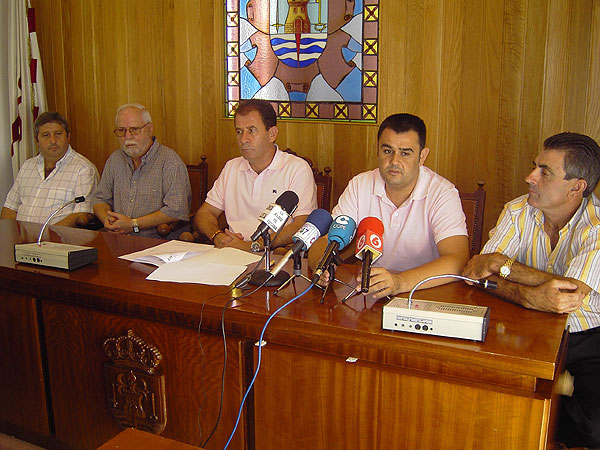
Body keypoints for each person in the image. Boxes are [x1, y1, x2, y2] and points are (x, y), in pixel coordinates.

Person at [462, 132, 600, 448]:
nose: (530, 177)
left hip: (587, 334)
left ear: (576, 187)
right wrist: (526, 295)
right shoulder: (517, 210)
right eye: (534, 167)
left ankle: (541, 426)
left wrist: (503, 264)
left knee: (595, 428)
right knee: (479, 390)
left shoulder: (597, 226)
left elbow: (567, 296)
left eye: (544, 172)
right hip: (523, 325)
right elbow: (475, 273)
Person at [308, 113, 469, 299]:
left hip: (425, 292)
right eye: (387, 151)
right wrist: (320, 264)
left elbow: (457, 260)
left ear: (422, 156)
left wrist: (399, 281)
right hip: (371, 291)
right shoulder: (360, 185)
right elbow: (327, 240)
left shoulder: (443, 193)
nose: (394, 161)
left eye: (405, 153)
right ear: (377, 151)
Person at [194, 99, 317, 252]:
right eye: (239, 131)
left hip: (275, 254)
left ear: (272, 134)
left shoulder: (297, 169)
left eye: (251, 130)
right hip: (231, 253)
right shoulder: (232, 167)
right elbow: (205, 212)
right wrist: (217, 235)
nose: (243, 139)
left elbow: (302, 223)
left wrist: (253, 245)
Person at [92, 104, 191, 239]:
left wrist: (134, 224)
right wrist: (106, 221)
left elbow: (175, 210)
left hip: (156, 241)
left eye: (134, 129)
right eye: (121, 130)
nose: (128, 136)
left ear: (150, 129)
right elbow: (100, 198)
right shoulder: (115, 159)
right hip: (117, 238)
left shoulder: (169, 162)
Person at [2, 112, 99, 226]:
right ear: (36, 141)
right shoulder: (28, 166)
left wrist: (45, 236)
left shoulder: (84, 169)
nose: (53, 141)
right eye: (46, 135)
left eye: (58, 134)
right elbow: (10, 208)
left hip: (56, 240)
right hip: (20, 239)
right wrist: (11, 235)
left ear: (68, 137)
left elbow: (81, 216)